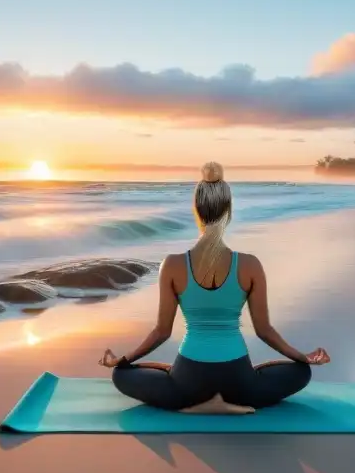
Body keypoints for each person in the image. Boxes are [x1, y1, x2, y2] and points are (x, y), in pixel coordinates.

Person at [99, 161, 330, 414]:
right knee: (300, 372)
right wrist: (301, 357)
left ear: (196, 210)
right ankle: (229, 401)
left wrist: (122, 360)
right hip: (239, 381)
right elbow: (264, 331)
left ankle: (194, 403)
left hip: (188, 381)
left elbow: (161, 332)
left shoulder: (173, 265)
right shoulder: (249, 265)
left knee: (121, 376)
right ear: (229, 211)